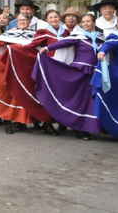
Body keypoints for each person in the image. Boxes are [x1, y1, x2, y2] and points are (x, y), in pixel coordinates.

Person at [36, 12, 102, 140]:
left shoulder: (100, 38)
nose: (86, 24)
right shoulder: (79, 35)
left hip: (94, 73)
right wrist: (48, 49)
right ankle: (78, 129)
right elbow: (64, 43)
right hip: (80, 71)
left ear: (94, 23)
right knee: (79, 100)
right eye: (83, 22)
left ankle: (87, 127)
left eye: (88, 21)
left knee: (90, 102)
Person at [5, 8, 65, 135]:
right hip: (45, 67)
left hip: (60, 66)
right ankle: (47, 123)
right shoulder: (43, 32)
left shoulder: (65, 33)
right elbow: (32, 46)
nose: (54, 19)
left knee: (57, 95)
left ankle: (58, 121)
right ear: (46, 20)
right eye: (51, 17)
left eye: (56, 16)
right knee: (44, 95)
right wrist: (13, 50)